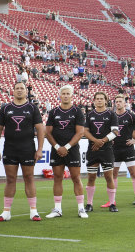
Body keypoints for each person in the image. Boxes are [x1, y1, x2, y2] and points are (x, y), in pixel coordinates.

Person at [0, 82, 44, 222]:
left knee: (29, 178)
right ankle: (6, 212)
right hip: (10, 148)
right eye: (17, 88)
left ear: (26, 92)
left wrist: (40, 149)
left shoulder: (32, 108)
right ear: (13, 91)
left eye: (22, 88)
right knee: (10, 179)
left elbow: (40, 129)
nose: (20, 90)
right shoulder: (6, 108)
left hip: (27, 148)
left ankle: (33, 211)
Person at [45, 85, 88, 219]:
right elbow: (48, 132)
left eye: (67, 93)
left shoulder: (77, 112)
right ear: (60, 95)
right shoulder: (53, 112)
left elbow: (80, 132)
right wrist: (58, 147)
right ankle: (57, 209)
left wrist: (67, 147)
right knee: (57, 178)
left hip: (72, 149)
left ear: (71, 95)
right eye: (63, 93)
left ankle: (81, 209)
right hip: (56, 150)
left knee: (76, 178)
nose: (65, 95)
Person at [106, 95, 135, 208]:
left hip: (128, 149)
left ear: (125, 104)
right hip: (114, 149)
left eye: (120, 101)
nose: (118, 103)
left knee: (134, 173)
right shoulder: (111, 116)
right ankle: (112, 201)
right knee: (112, 175)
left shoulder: (131, 116)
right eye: (116, 101)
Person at [84, 92, 119, 213]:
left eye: (101, 99)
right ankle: (89, 204)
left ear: (106, 101)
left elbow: (115, 132)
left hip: (106, 150)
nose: (99, 101)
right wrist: (96, 141)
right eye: (97, 99)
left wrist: (102, 141)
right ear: (94, 101)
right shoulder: (89, 115)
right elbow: (85, 131)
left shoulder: (111, 114)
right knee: (91, 177)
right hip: (93, 149)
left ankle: (112, 203)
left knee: (109, 177)